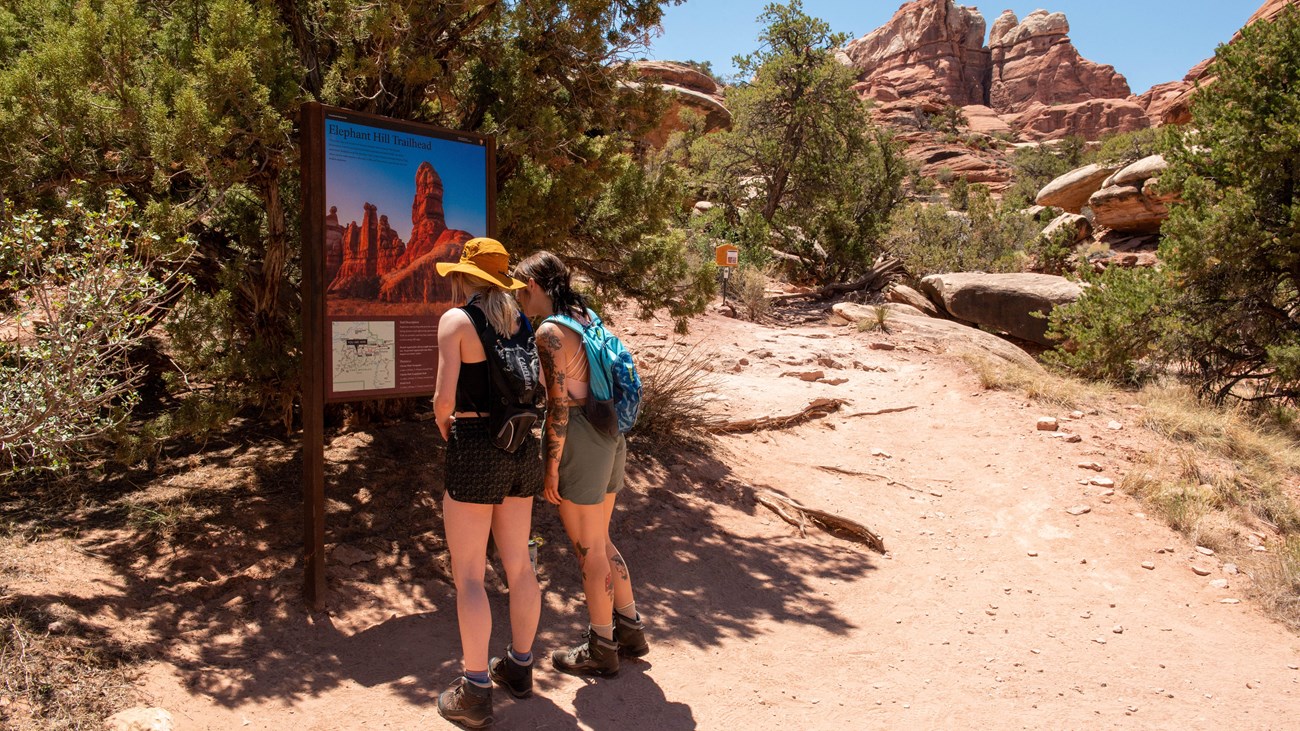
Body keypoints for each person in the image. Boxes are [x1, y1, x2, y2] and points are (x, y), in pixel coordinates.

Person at [512, 250, 649, 678]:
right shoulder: (584, 315)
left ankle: (601, 647)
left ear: (533, 285)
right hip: (609, 432)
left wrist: (550, 467)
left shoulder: (550, 332)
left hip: (580, 439)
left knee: (588, 550)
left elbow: (556, 406)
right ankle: (629, 629)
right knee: (602, 541)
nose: (517, 296)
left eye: (519, 287)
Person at [432, 238, 542, 728]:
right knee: (519, 566)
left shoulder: (457, 321)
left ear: (464, 277)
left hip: (477, 442)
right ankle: (519, 667)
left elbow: (442, 401)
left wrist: (452, 433)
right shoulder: (521, 322)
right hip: (522, 444)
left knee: (471, 574)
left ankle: (476, 689)